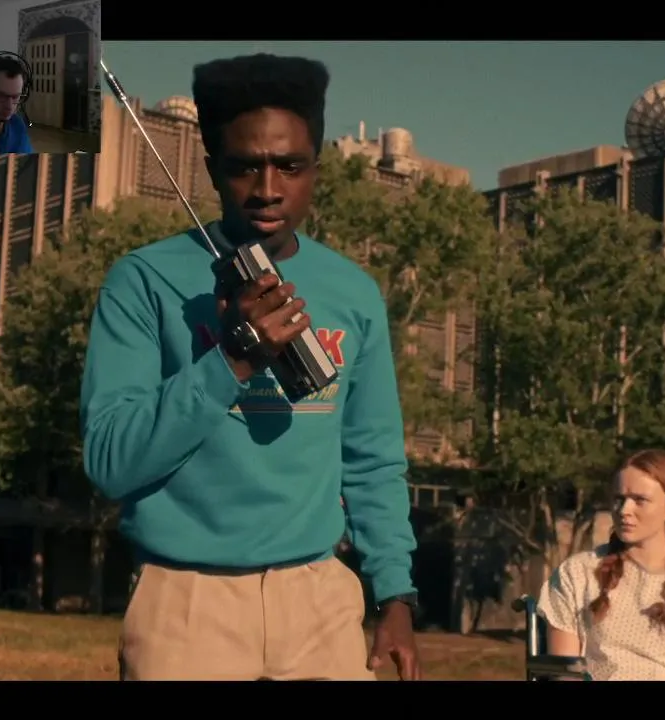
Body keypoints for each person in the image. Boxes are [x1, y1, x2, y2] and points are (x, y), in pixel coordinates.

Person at [79, 53, 421, 681]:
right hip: (186, 604)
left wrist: (394, 594)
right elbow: (110, 461)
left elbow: (372, 460)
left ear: (316, 169)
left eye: (290, 166)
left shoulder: (354, 292)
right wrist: (233, 356)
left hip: (320, 600)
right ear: (212, 169)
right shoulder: (143, 280)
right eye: (244, 166)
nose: (268, 188)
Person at [536, 449, 665, 680]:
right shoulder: (577, 573)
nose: (624, 510)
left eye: (640, 500)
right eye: (619, 499)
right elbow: (565, 674)